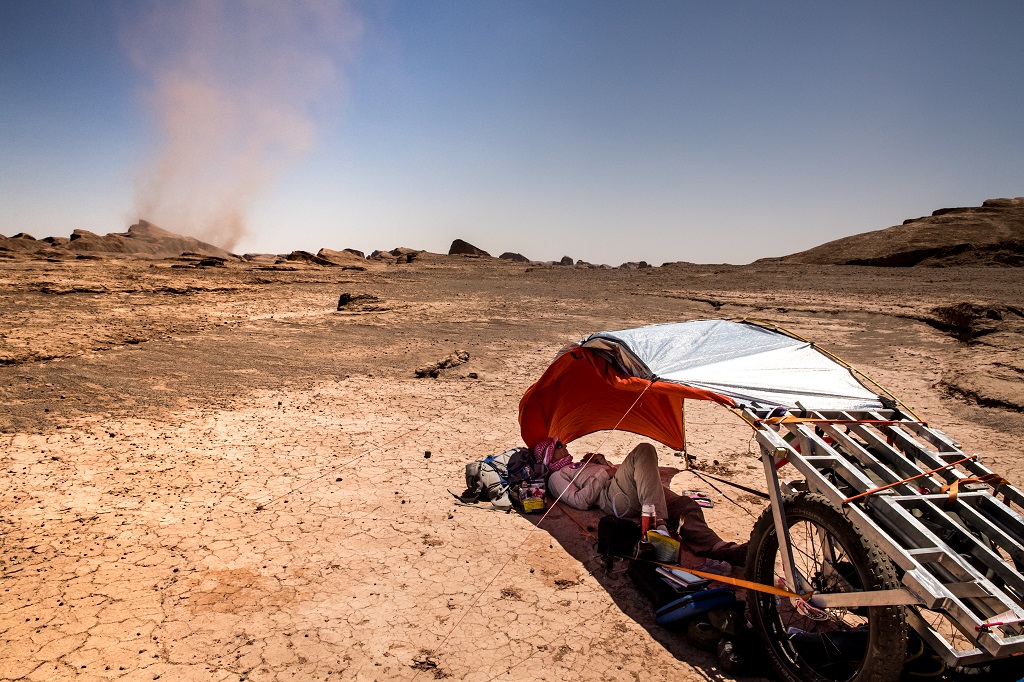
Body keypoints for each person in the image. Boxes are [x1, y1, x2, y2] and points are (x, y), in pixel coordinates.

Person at [536, 437, 747, 570]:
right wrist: (604, 472)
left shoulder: (577, 464)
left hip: (630, 487)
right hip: (614, 497)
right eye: (558, 445)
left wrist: (599, 462)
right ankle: (658, 527)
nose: (565, 445)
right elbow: (580, 502)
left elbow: (616, 473)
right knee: (644, 449)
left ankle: (718, 548)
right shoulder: (557, 476)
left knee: (684, 505)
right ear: (548, 453)